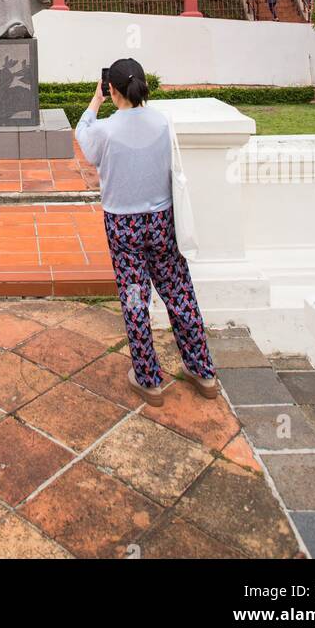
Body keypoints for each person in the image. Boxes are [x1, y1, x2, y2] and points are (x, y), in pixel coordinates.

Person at [75, 58, 218, 405]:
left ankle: (149, 379)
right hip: (162, 222)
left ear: (112, 89)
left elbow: (83, 136)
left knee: (136, 298)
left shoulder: (105, 130)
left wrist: (95, 100)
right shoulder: (162, 123)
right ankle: (202, 371)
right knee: (178, 292)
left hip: (124, 226)